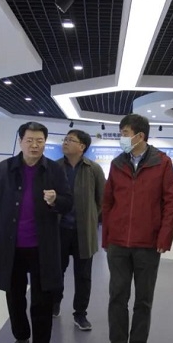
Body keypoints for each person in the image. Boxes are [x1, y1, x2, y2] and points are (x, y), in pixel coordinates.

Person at [0, 122, 72, 343]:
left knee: (42, 301)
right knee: (15, 296)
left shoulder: (55, 170)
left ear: (45, 142)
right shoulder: (4, 169)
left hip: (43, 247)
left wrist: (56, 200)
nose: (34, 145)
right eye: (30, 140)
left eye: (39, 141)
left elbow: (68, 203)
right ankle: (21, 335)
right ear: (20, 141)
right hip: (11, 246)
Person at [101, 113, 173, 343]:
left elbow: (170, 203)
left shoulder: (162, 162)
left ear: (139, 136)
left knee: (144, 298)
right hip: (118, 243)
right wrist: (107, 237)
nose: (121, 138)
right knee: (117, 295)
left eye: (124, 133)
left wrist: (164, 237)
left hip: (148, 243)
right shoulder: (117, 163)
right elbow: (108, 202)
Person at [53, 129, 106, 331]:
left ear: (82, 146)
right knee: (56, 271)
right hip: (59, 230)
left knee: (83, 276)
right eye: (65, 139)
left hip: (84, 231)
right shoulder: (55, 167)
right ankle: (54, 303)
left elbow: (101, 200)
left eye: (70, 140)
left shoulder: (93, 169)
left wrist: (89, 216)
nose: (65, 142)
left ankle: (80, 314)